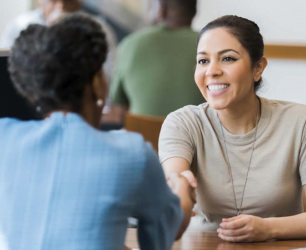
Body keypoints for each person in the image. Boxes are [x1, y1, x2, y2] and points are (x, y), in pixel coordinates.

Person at [0, 14, 195, 250]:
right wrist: (182, 189)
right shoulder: (132, 154)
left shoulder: (5, 137)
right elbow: (168, 228)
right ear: (96, 84)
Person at [159, 15, 306, 242]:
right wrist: (180, 187)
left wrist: (267, 229)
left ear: (258, 68)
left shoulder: (302, 121)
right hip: (202, 244)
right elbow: (176, 185)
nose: (212, 71)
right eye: (203, 61)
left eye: (227, 58)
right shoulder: (182, 122)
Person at [109, 0, 204, 121]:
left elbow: (118, 104)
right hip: (194, 138)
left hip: (144, 136)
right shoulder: (209, 44)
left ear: (161, 10)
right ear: (194, 12)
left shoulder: (130, 44)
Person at [0, 0, 117, 83]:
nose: (61, 7)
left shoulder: (99, 29)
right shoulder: (19, 26)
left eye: (68, 1)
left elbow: (110, 76)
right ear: (40, 2)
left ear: (79, 2)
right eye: (53, 1)